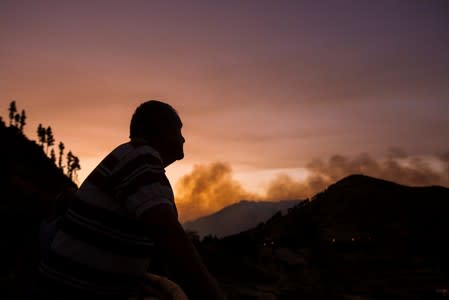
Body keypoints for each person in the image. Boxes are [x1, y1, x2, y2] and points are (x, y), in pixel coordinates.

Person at [38, 100, 225, 300]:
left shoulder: (131, 158)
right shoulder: (141, 159)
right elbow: (175, 245)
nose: (184, 139)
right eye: (179, 131)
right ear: (162, 131)